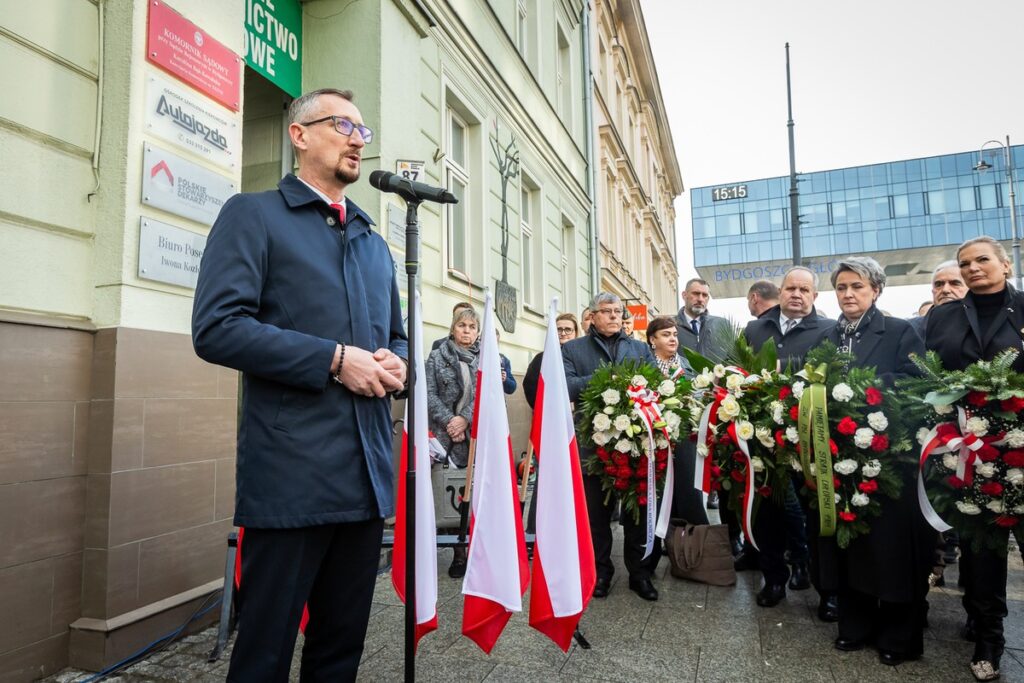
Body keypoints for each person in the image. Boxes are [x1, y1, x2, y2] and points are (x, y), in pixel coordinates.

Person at [191, 88, 407, 682]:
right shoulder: (254, 215)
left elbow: (397, 337)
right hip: (291, 479)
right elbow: (217, 329)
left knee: (340, 652)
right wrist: (335, 360)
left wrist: (399, 366)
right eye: (344, 125)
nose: (358, 139)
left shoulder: (373, 241)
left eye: (364, 130)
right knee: (263, 655)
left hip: (364, 477)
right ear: (299, 134)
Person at [818, 256, 931, 667]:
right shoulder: (827, 337)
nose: (848, 295)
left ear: (876, 290)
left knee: (891, 549)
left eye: (857, 287)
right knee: (850, 544)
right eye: (842, 287)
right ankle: (856, 625)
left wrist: (862, 388)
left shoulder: (900, 330)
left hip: (889, 459)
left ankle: (898, 635)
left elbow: (916, 381)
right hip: (840, 458)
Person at [925, 236, 1024, 681]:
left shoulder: (1021, 308)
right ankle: (988, 639)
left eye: (982, 260)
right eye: (965, 263)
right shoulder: (944, 316)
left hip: (1021, 448)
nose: (972, 269)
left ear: (1005, 263)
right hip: (970, 451)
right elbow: (931, 375)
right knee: (982, 552)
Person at [740, 267, 827, 613]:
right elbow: (740, 372)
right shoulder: (755, 328)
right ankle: (773, 578)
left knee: (809, 509)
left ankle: (812, 572)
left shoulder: (828, 330)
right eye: (791, 288)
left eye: (804, 289)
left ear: (814, 296)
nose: (797, 294)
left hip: (807, 437)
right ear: (780, 290)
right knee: (768, 510)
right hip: (762, 438)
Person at [563, 293, 660, 601]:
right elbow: (567, 386)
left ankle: (640, 574)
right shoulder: (572, 349)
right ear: (592, 316)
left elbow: (653, 385)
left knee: (636, 513)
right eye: (607, 311)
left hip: (634, 444)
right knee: (597, 515)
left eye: (619, 311)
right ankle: (600, 572)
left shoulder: (640, 348)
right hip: (593, 445)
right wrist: (608, 379)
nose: (615, 316)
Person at [425, 307, 480, 578]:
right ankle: (458, 553)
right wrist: (451, 421)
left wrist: (465, 420)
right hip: (446, 438)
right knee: (449, 495)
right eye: (462, 325)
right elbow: (429, 393)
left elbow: (485, 394)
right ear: (453, 328)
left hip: (475, 437)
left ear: (478, 331)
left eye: (472, 326)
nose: (466, 331)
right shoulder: (436, 357)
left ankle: (476, 549)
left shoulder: (486, 358)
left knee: (476, 494)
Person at [646, 316, 707, 526]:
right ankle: (664, 533)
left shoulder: (686, 363)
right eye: (666, 335)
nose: (673, 339)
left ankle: (691, 537)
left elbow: (699, 392)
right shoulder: (645, 364)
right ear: (652, 340)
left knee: (688, 488)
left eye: (674, 334)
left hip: (685, 437)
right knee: (661, 490)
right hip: (655, 437)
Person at [523, 313, 578, 408]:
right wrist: (544, 410)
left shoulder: (583, 355)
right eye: (559, 329)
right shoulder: (541, 358)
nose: (563, 333)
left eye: (568, 329)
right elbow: (530, 386)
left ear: (575, 333)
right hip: (550, 414)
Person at [676, 278, 732, 363]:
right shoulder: (669, 325)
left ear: (708, 299)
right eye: (696, 293)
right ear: (684, 295)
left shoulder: (722, 325)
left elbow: (733, 359)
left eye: (704, 295)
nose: (700, 299)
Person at [910, 260, 968, 337]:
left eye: (955, 283)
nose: (945, 290)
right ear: (933, 291)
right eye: (939, 284)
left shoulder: (984, 325)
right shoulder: (910, 329)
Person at [495, 329, 517, 395]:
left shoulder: (503, 360)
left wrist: (505, 380)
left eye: (495, 342)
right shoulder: (474, 356)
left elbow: (512, 388)